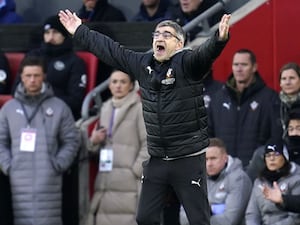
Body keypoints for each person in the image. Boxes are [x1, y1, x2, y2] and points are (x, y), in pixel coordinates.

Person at [58, 8, 230, 225]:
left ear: (179, 44)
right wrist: (80, 31)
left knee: (198, 220)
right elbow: (111, 50)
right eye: (157, 34)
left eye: (167, 35)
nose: (160, 37)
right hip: (158, 158)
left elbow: (204, 54)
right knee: (145, 217)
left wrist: (218, 39)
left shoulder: (187, 63)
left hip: (187, 158)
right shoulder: (143, 64)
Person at [0, 55, 80, 225]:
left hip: (49, 177)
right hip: (17, 177)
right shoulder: (9, 109)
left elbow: (71, 140)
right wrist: (8, 165)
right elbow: (0, 141)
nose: (32, 80)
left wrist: (58, 164)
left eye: (36, 75)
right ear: (21, 76)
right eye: (28, 76)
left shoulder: (59, 107)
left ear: (44, 76)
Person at [84, 70, 148, 225]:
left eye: (123, 82)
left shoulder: (140, 108)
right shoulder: (105, 108)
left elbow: (149, 144)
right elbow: (95, 147)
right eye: (114, 82)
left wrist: (135, 171)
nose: (118, 86)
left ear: (132, 85)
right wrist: (93, 141)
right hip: (106, 180)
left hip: (129, 183)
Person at [207, 48, 282, 168]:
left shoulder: (270, 98)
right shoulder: (218, 98)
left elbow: (275, 136)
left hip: (257, 171)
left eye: (244, 64)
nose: (239, 69)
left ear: (254, 67)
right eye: (236, 64)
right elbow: (209, 134)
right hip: (224, 172)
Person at [180, 138, 252, 225]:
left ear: (225, 158)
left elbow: (229, 220)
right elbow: (183, 218)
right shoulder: (196, 179)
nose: (209, 164)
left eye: (213, 158)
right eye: (205, 159)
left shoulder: (239, 178)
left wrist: (200, 216)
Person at [245, 139, 300, 225]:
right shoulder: (259, 181)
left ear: (285, 157)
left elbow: (295, 218)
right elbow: (252, 213)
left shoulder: (297, 179)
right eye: (268, 155)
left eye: (276, 154)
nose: (272, 158)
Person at [278, 62, 300, 138]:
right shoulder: (274, 104)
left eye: (292, 78)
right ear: (280, 83)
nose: (287, 82)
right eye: (284, 79)